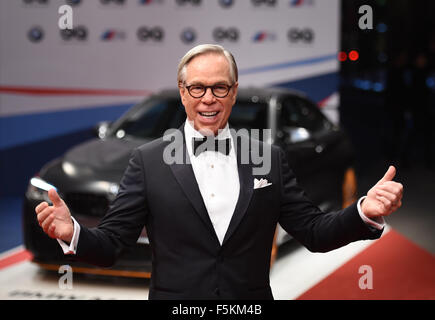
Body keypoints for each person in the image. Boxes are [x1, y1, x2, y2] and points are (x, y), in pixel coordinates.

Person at [35, 44, 403, 300]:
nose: (207, 98)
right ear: (183, 92)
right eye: (197, 87)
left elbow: (314, 232)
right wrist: (74, 233)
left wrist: (363, 212)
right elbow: (113, 244)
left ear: (233, 92)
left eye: (219, 87)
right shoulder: (148, 161)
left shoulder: (268, 158)